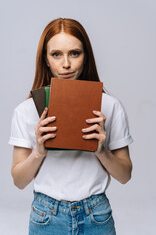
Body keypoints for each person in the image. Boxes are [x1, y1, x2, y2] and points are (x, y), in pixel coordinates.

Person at [9, 18, 133, 235]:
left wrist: (101, 150)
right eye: (56, 54)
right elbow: (19, 181)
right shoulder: (25, 110)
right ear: (45, 60)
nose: (65, 64)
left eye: (75, 53)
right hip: (46, 216)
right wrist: (38, 152)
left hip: (96, 215)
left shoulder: (111, 107)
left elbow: (125, 176)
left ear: (86, 57)